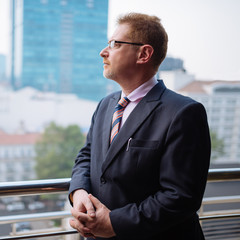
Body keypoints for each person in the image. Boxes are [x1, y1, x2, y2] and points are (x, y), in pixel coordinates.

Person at [68, 13, 211, 240]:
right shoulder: (106, 104)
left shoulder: (184, 113)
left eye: (114, 44)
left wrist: (114, 223)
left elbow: (181, 196)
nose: (103, 52)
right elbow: (87, 156)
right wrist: (79, 192)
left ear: (143, 54)